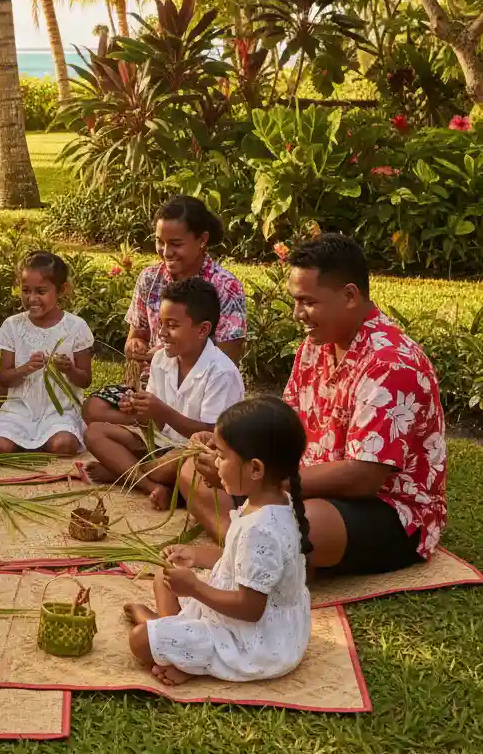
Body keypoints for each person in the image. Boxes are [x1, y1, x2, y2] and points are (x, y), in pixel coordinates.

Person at [183, 234, 447, 576]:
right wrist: (229, 446)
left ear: (350, 295)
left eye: (307, 301)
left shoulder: (392, 363)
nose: (297, 314)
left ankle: (249, 552)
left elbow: (362, 477)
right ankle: (250, 551)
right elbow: (284, 424)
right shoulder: (317, 344)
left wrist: (263, 482)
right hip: (301, 484)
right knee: (191, 472)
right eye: (295, 301)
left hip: (387, 508)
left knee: (301, 524)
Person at [124, 396, 312, 687]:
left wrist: (195, 588)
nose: (215, 463)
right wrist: (195, 555)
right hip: (238, 615)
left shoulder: (261, 528)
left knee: (139, 642)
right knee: (164, 573)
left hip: (253, 641)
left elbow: (250, 608)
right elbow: (237, 559)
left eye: (222, 457)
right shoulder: (271, 502)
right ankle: (175, 636)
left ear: (256, 469)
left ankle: (171, 641)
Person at [84, 195, 246, 428]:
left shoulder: (225, 286)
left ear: (202, 240)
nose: (166, 251)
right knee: (94, 408)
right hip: (150, 389)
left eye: (176, 244)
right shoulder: (150, 278)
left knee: (210, 428)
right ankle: (152, 430)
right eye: (160, 241)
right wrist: (136, 347)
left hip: (197, 392)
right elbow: (135, 335)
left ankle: (162, 432)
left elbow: (228, 355)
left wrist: (165, 356)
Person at [84, 277, 244, 508]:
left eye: (172, 325)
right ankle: (152, 485)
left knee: (180, 462)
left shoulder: (221, 372)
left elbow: (211, 436)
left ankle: (125, 471)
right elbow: (156, 427)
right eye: (161, 323)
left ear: (202, 329)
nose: (162, 333)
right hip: (160, 448)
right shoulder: (161, 359)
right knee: (95, 432)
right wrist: (140, 412)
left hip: (194, 455)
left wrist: (164, 412)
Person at [0, 252, 94, 455]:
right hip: (20, 409)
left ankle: (43, 438)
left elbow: (85, 380)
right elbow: (5, 379)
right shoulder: (13, 326)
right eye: (25, 290)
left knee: (63, 446)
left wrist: (69, 369)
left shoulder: (76, 327)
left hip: (59, 410)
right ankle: (18, 435)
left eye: (41, 291)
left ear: (61, 290)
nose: (32, 298)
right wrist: (25, 369)